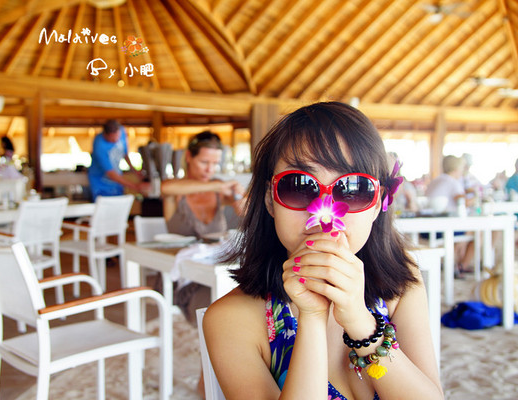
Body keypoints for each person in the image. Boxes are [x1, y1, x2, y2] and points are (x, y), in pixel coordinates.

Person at [203, 102, 443, 400]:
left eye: (353, 188)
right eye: (299, 186)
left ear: (378, 203)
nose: (325, 212)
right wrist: (312, 317)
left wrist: (360, 323)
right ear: (269, 201)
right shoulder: (231, 318)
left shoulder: (401, 281)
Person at [160, 130, 245, 397]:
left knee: (249, 301)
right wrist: (217, 186)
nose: (210, 169)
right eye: (204, 162)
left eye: (215, 164)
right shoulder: (175, 190)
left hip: (220, 273)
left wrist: (240, 196)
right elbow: (166, 188)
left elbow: (247, 216)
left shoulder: (220, 191)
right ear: (189, 157)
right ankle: (207, 381)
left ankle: (233, 376)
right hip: (187, 280)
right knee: (218, 309)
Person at [88, 119, 148, 199]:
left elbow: (124, 153)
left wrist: (134, 170)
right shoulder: (99, 146)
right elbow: (111, 174)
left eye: (117, 137)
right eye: (113, 139)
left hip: (116, 183)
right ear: (105, 134)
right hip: (101, 184)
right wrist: (135, 186)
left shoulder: (122, 131)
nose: (116, 140)